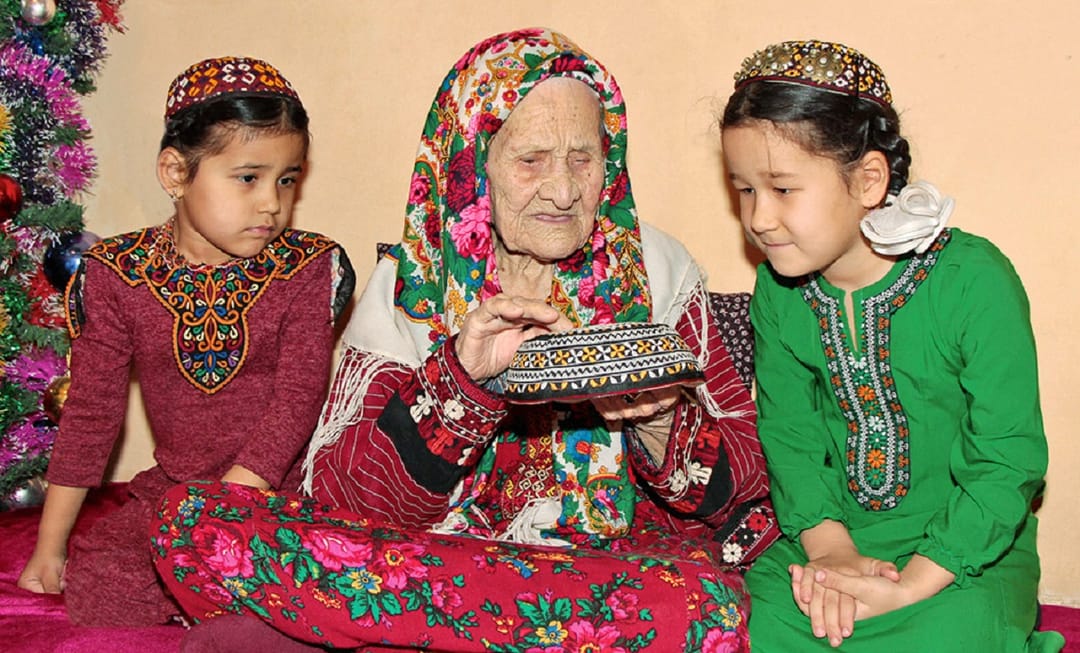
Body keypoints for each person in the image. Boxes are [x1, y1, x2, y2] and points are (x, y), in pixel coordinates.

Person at [151, 28, 779, 652]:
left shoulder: (655, 270)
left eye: (583, 159)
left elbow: (749, 487)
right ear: (470, 160)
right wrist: (461, 383)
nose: (564, 191)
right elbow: (345, 504)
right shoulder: (413, 283)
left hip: (603, 561)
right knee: (192, 521)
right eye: (531, 160)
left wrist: (659, 425)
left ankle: (385, 631)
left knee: (703, 592)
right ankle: (547, 632)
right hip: (445, 556)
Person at [720, 40, 1064, 652]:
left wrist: (911, 586)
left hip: (965, 557)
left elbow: (1008, 459)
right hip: (834, 539)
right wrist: (831, 556)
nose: (759, 219)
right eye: (744, 190)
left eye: (782, 189)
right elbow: (790, 436)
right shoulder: (779, 291)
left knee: (951, 634)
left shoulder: (972, 280)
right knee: (751, 618)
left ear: (869, 179)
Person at [16, 56, 355, 627]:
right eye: (249, 178)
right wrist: (50, 549)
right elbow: (92, 414)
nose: (272, 203)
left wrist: (218, 511)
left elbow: (297, 400)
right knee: (100, 585)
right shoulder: (117, 273)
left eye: (287, 179)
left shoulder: (308, 266)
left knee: (323, 568)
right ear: (176, 173)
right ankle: (228, 602)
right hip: (173, 493)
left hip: (280, 493)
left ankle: (234, 600)